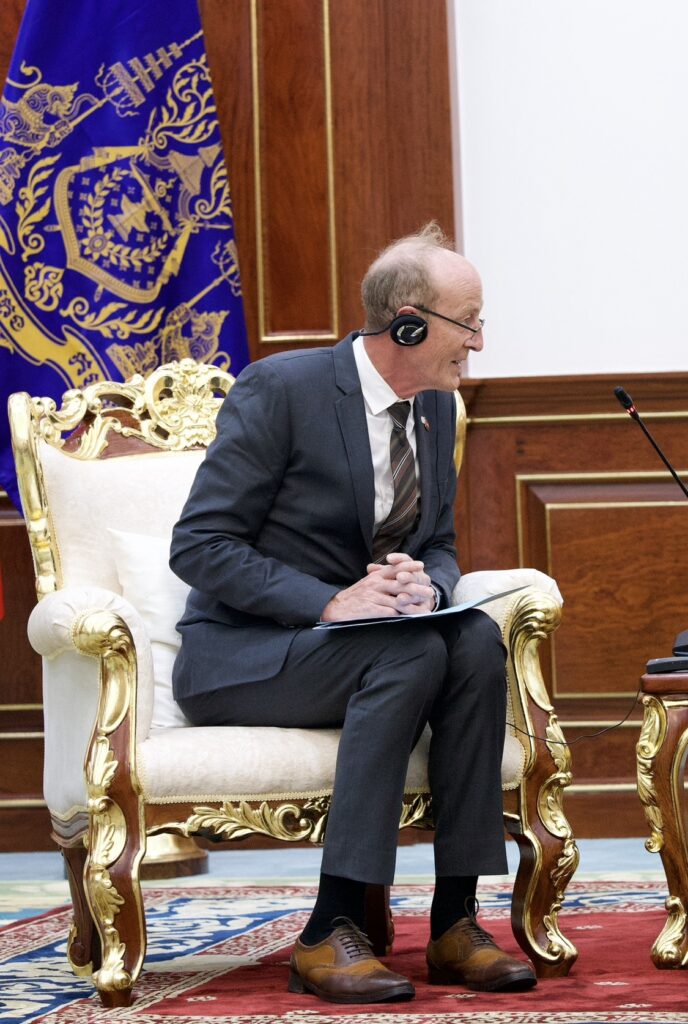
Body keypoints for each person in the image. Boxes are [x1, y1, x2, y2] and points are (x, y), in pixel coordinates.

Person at [170, 222, 537, 1004]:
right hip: (247, 654)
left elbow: (438, 544)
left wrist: (428, 586)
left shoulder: (433, 412)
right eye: (467, 323)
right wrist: (329, 602)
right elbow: (200, 546)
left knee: (473, 639)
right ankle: (329, 928)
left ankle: (456, 921)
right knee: (412, 653)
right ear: (407, 324)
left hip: (365, 651)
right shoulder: (283, 391)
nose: (477, 342)